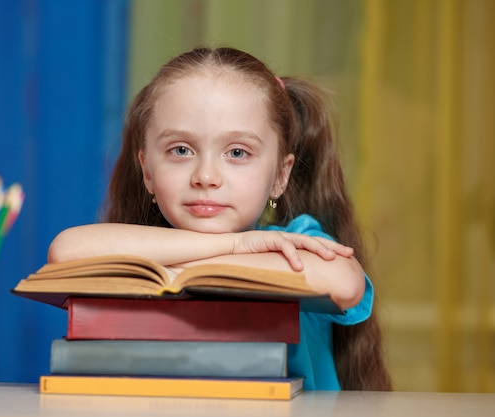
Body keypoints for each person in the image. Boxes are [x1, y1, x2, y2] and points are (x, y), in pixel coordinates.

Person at [48, 47, 392, 391]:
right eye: (181, 150)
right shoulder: (140, 244)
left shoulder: (295, 241)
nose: (206, 176)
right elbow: (66, 251)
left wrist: (173, 273)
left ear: (280, 175)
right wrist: (236, 243)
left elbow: (344, 284)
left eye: (237, 152)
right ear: (147, 171)